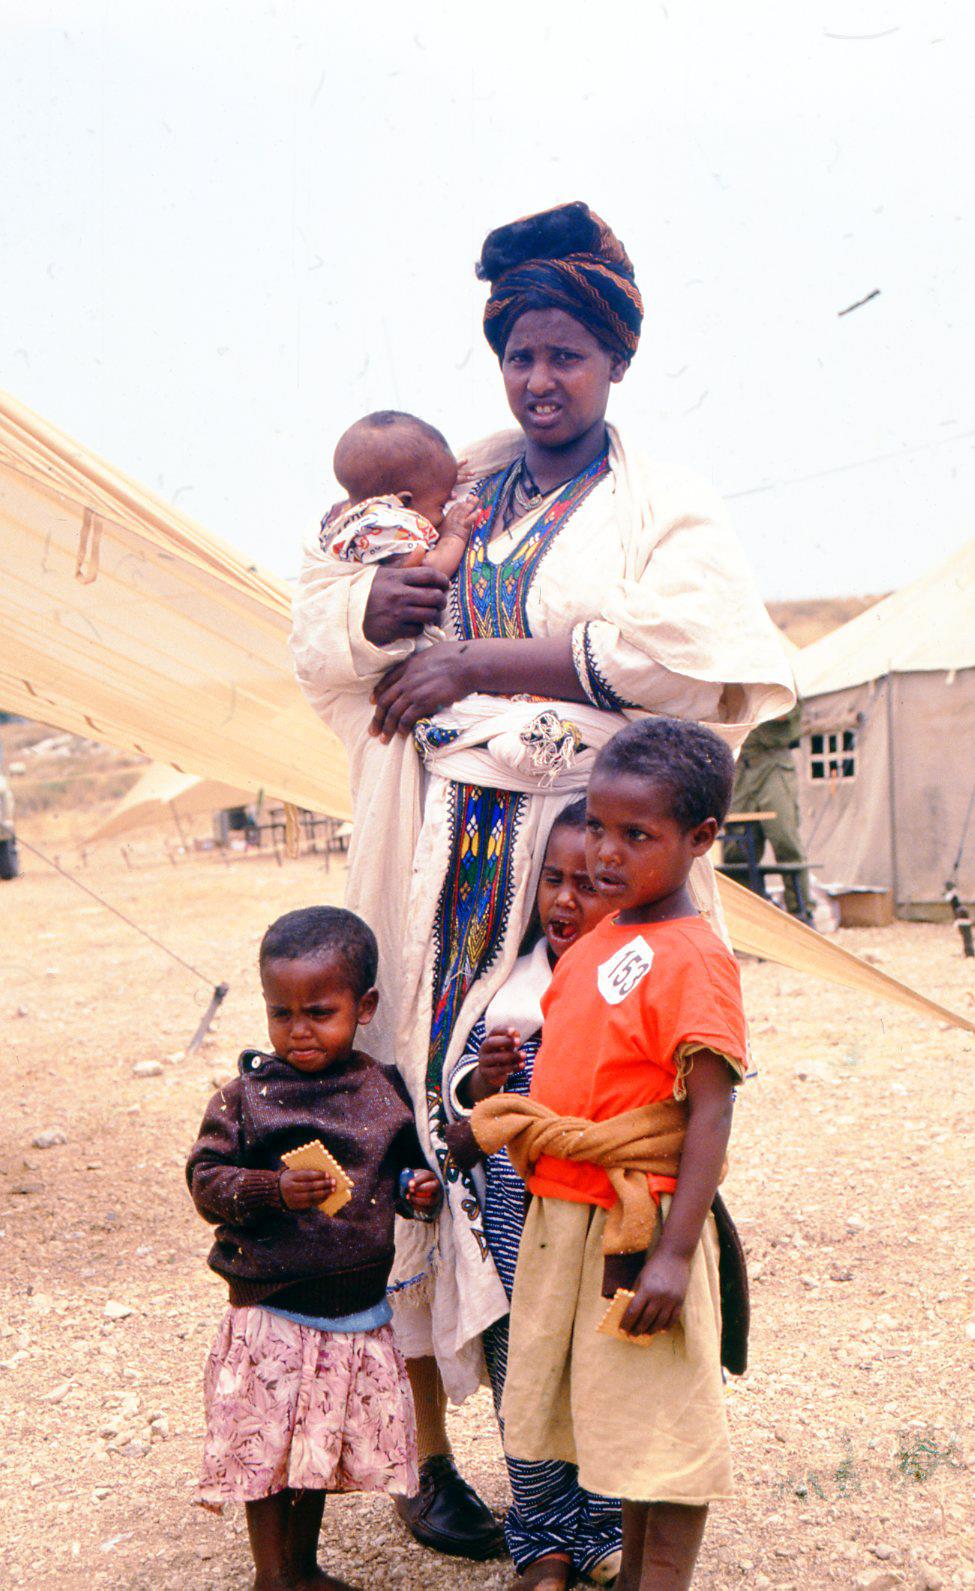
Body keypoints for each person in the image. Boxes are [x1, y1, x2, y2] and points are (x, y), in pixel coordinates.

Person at [290, 199, 794, 1557]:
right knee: (410, 1140)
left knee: (560, 1147)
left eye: (564, 354)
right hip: (434, 849)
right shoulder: (453, 486)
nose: (538, 380)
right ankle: (431, 1462)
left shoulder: (658, 497)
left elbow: (691, 651)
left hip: (578, 869)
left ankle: (584, 1470)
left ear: (614, 361)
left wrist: (484, 662)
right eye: (517, 354)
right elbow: (321, 625)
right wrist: (375, 615)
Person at [472, 718, 748, 1591]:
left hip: (638, 1222)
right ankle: (630, 1574)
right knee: (619, 1423)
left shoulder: (695, 959)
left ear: (699, 839)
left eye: (637, 834)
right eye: (596, 824)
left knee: (659, 1428)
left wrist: (671, 1253)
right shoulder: (598, 940)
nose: (604, 852)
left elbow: (708, 1108)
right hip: (569, 1216)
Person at [186, 905, 441, 1591]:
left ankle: (302, 1568)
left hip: (353, 1311)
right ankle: (272, 1574)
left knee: (315, 1448)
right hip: (273, 1309)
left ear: (363, 1006)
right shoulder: (247, 1099)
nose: (297, 1030)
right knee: (267, 1453)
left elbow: (407, 1172)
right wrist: (270, 1188)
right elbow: (205, 1181)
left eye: (318, 1011)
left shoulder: (383, 1091)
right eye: (280, 1012)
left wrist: (415, 1188)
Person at [443, 800, 622, 1590]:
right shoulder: (508, 999)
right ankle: (543, 1539)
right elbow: (460, 1113)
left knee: (606, 1373)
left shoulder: (630, 989)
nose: (563, 901)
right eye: (552, 879)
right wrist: (481, 1080)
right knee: (527, 1382)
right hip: (518, 1240)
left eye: (587, 885)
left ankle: (607, 1528)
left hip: (600, 1229)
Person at [325, 410, 478, 580]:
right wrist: (454, 534)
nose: (450, 501)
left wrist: (439, 478)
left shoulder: (345, 516)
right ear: (404, 502)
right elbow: (431, 570)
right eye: (441, 505)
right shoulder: (386, 527)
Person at [723, 700, 812, 920]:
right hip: (741, 765)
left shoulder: (771, 670)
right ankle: (746, 920)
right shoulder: (728, 674)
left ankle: (800, 913)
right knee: (736, 847)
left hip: (773, 762)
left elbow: (784, 711)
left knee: (785, 840)